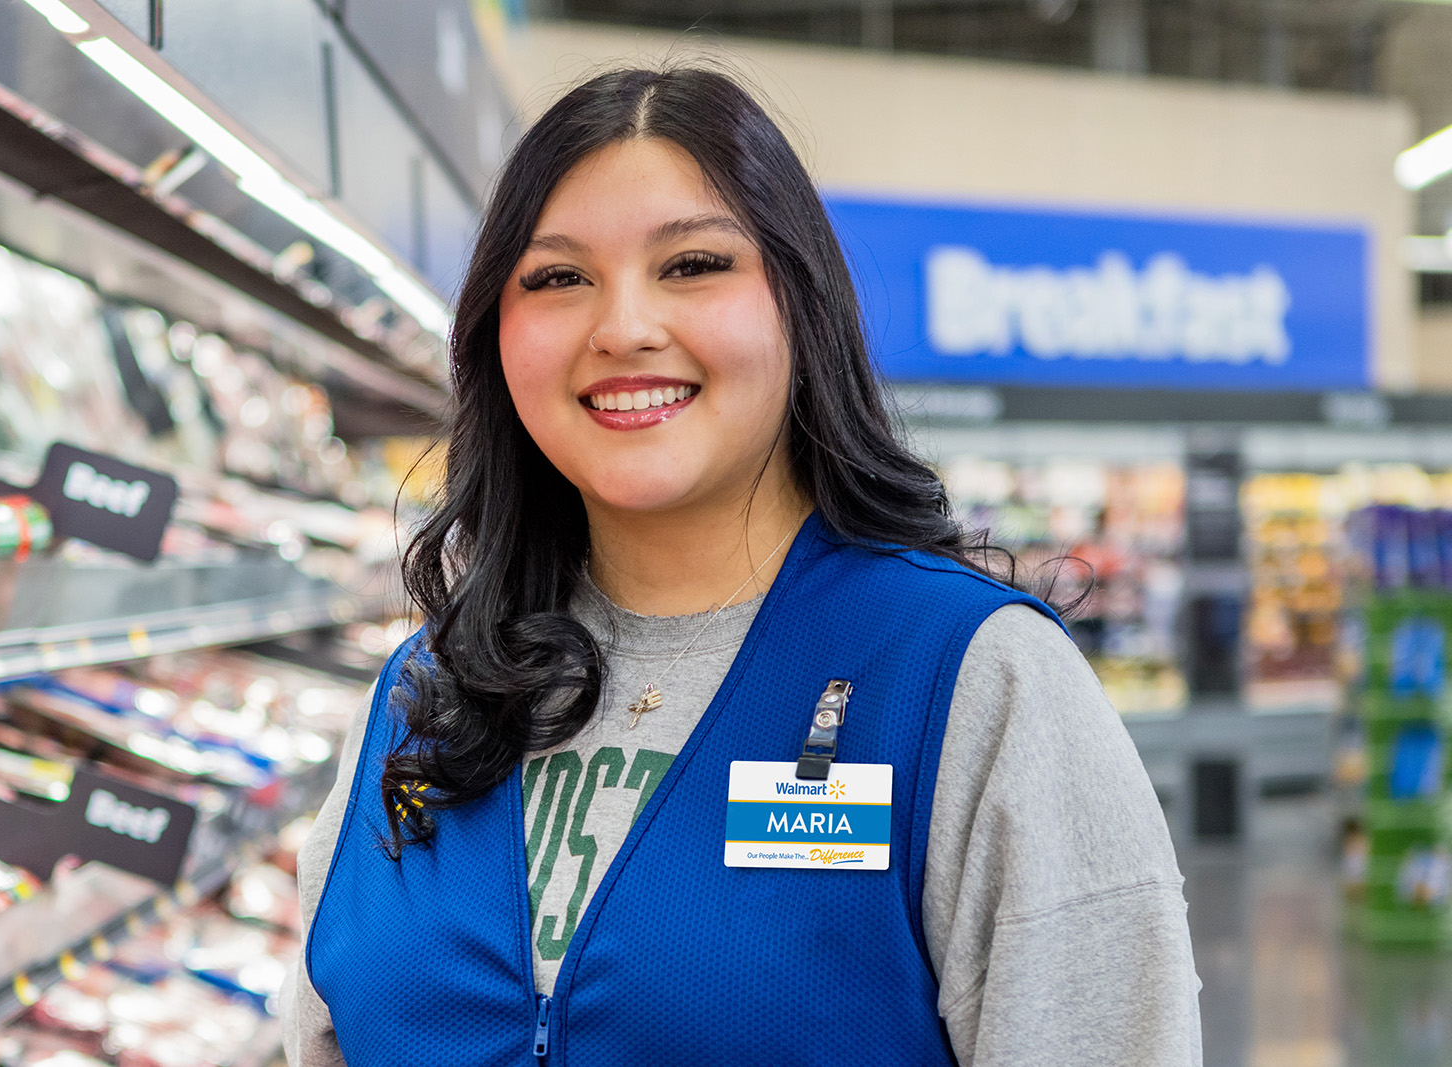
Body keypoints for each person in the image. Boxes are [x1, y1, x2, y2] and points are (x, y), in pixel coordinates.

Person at [282, 66, 1202, 1066]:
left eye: (692, 265)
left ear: (797, 305)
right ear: (494, 337)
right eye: (555, 277)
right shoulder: (422, 693)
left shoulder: (970, 679)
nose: (623, 327)